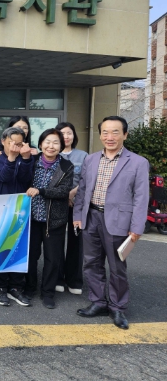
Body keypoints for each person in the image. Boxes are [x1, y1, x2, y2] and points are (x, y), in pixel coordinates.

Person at [74, 116, 149, 330]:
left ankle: (117, 307)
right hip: (91, 217)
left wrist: (137, 227)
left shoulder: (138, 162)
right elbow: (82, 190)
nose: (110, 137)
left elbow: (141, 197)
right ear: (100, 135)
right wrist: (78, 215)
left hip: (119, 220)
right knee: (91, 263)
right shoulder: (91, 160)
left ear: (125, 134)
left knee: (117, 267)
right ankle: (98, 301)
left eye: (115, 132)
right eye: (105, 132)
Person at [25, 128, 74, 310]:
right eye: (47, 142)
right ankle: (29, 288)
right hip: (31, 218)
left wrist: (41, 191)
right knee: (31, 256)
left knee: (53, 259)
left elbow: (63, 191)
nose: (51, 146)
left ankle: (48, 293)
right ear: (40, 144)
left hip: (54, 221)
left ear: (61, 146)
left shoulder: (66, 166)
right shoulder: (32, 161)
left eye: (55, 142)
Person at [0, 127, 34, 307]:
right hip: (0, 209)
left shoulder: (26, 158)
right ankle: (0, 287)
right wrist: (12, 159)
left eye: (19, 143)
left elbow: (25, 179)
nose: (15, 147)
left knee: (19, 248)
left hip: (21, 209)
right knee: (1, 247)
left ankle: (16, 287)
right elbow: (3, 177)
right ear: (3, 141)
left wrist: (26, 159)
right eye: (11, 143)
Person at [56, 122, 89, 295]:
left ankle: (74, 280)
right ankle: (57, 278)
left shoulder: (83, 156)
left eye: (69, 133)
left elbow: (86, 179)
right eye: (62, 133)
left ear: (74, 135)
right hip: (57, 203)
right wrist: (64, 196)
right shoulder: (52, 153)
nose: (66, 136)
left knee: (76, 241)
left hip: (77, 203)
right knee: (57, 241)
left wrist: (71, 194)